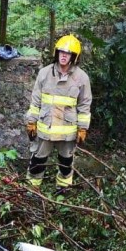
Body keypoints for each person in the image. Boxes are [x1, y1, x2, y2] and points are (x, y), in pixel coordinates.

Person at [24, 34, 91, 192]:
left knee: (66, 162)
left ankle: (63, 189)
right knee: (38, 160)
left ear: (74, 57)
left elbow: (84, 104)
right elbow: (35, 101)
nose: (63, 56)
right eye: (61, 53)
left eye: (67, 54)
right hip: (45, 128)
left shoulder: (82, 78)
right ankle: (32, 190)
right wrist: (31, 121)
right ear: (56, 53)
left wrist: (82, 128)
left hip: (68, 131)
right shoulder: (45, 73)